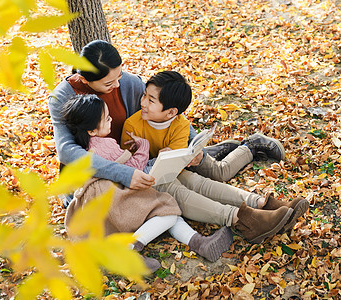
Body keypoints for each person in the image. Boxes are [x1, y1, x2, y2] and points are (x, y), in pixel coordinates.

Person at [48, 40, 287, 208]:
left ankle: (240, 152)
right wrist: (124, 173)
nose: (118, 86)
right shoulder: (63, 97)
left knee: (203, 171)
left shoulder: (129, 83)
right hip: (105, 169)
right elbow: (67, 151)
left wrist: (191, 146)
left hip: (142, 155)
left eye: (119, 76)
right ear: (84, 79)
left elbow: (169, 114)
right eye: (109, 84)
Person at [121, 71, 309, 243]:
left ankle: (262, 203)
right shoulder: (132, 125)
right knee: (178, 189)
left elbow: (176, 165)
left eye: (151, 100)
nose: (143, 102)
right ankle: (242, 219)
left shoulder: (180, 124)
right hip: (145, 180)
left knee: (197, 181)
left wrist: (179, 156)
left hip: (171, 172)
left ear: (171, 112)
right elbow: (128, 165)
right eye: (145, 95)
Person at [61, 94, 234, 271]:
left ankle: (199, 243)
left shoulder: (90, 147)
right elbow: (133, 169)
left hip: (108, 200)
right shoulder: (105, 146)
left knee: (167, 210)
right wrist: (143, 147)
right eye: (107, 119)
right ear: (91, 131)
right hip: (115, 201)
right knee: (167, 211)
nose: (111, 120)